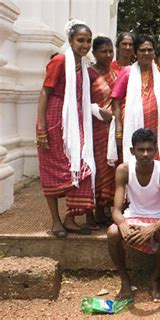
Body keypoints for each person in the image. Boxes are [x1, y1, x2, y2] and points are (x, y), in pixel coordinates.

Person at [36, 22, 96, 237]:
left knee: (82, 166)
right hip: (54, 119)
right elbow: (44, 93)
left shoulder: (83, 64)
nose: (85, 44)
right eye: (81, 40)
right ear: (70, 40)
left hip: (75, 120)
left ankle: (71, 218)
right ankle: (56, 221)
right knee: (51, 170)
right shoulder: (60, 60)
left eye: (88, 40)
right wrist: (42, 128)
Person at [107, 128, 160, 300]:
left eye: (149, 149)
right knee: (112, 232)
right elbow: (116, 209)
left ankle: (154, 278)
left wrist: (151, 229)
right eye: (140, 149)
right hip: (134, 216)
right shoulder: (123, 170)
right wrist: (122, 225)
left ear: (155, 150)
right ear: (132, 151)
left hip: (158, 218)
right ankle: (124, 279)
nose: (145, 154)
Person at [111, 34, 160, 163]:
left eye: (150, 50)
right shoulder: (127, 72)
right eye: (142, 50)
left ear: (155, 52)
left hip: (156, 128)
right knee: (131, 165)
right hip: (130, 128)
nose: (146, 53)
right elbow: (115, 103)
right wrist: (119, 131)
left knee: (155, 164)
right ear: (135, 52)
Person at [88, 36, 117, 226]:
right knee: (99, 167)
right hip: (96, 127)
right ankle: (97, 209)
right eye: (103, 51)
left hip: (114, 128)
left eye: (110, 51)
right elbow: (80, 100)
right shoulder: (89, 73)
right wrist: (97, 110)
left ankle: (107, 207)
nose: (107, 55)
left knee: (112, 166)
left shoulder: (115, 73)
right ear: (94, 53)